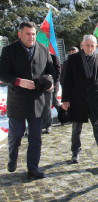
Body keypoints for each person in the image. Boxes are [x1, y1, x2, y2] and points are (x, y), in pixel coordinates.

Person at [0, 21, 54, 179]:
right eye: (28, 34)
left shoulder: (43, 50)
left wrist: (51, 83)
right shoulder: (9, 50)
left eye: (33, 34)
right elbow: (2, 73)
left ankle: (33, 167)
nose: (31, 37)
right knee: (16, 134)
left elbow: (52, 69)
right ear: (19, 34)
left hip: (37, 101)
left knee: (36, 137)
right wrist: (18, 81)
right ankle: (13, 156)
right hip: (17, 100)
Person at [61, 35, 98, 166]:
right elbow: (66, 80)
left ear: (96, 46)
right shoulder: (73, 59)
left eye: (92, 45)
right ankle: (75, 151)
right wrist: (65, 99)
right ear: (82, 45)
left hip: (95, 99)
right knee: (76, 128)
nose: (90, 48)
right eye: (87, 45)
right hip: (77, 99)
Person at [41, 53, 61, 134]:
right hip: (40, 85)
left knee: (49, 105)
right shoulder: (37, 56)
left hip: (50, 85)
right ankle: (44, 123)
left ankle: (48, 125)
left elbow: (56, 70)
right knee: (43, 106)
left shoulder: (52, 57)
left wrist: (54, 82)